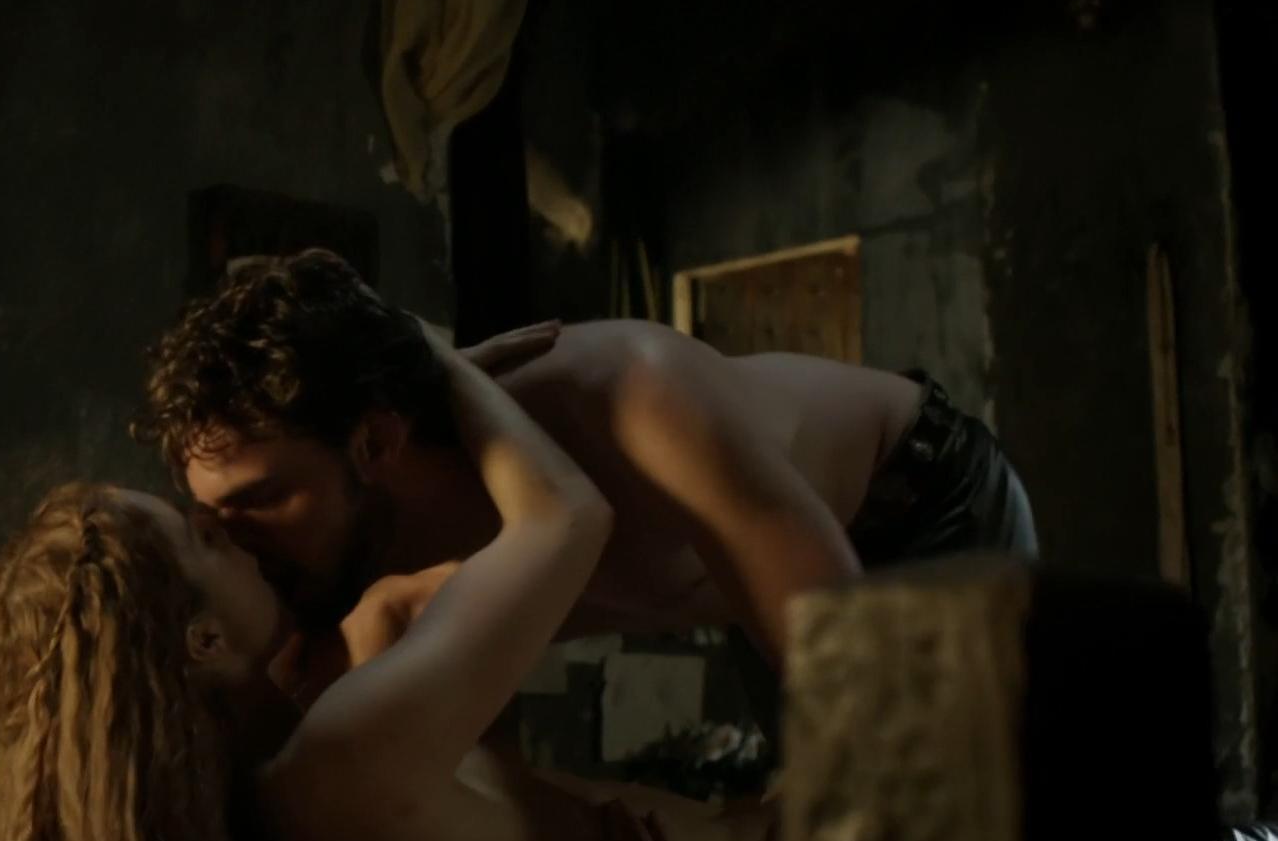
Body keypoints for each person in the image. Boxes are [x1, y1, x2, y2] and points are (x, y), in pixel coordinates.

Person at [0, 323, 780, 841]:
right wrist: (433, 356)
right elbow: (567, 518)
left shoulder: (276, 778)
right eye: (204, 538)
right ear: (204, 640)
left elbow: (429, 621)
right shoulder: (337, 765)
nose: (237, 536)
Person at [131, 248, 1038, 742]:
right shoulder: (338, 552)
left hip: (920, 503)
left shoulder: (631, 398)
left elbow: (862, 703)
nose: (236, 539)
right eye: (213, 517)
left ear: (376, 443)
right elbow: (285, 742)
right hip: (766, 596)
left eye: (260, 498)